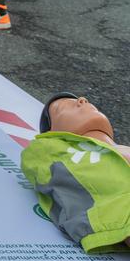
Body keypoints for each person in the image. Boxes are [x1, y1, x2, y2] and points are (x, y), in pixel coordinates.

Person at [20, 93, 130, 252]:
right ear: (51, 134)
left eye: (85, 100)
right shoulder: (49, 150)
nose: (82, 100)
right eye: (62, 107)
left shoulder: (121, 149)